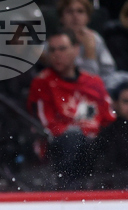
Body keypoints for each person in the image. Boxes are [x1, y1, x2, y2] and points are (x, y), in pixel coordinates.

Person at [28, 30, 116, 188]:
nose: (57, 54)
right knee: (73, 137)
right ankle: (70, 191)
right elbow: (47, 124)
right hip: (60, 144)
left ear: (76, 49)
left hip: (95, 144)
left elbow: (109, 119)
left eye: (62, 49)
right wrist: (83, 133)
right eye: (52, 50)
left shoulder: (94, 82)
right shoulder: (43, 82)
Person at [58, 0, 127, 90]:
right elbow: (81, 80)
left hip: (98, 87)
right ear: (61, 17)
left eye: (80, 11)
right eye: (69, 11)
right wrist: (90, 53)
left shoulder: (95, 38)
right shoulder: (56, 40)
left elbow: (108, 71)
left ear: (88, 18)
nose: (75, 16)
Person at [89, 81, 128, 189]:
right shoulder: (108, 134)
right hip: (115, 190)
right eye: (126, 101)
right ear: (115, 104)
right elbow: (104, 169)